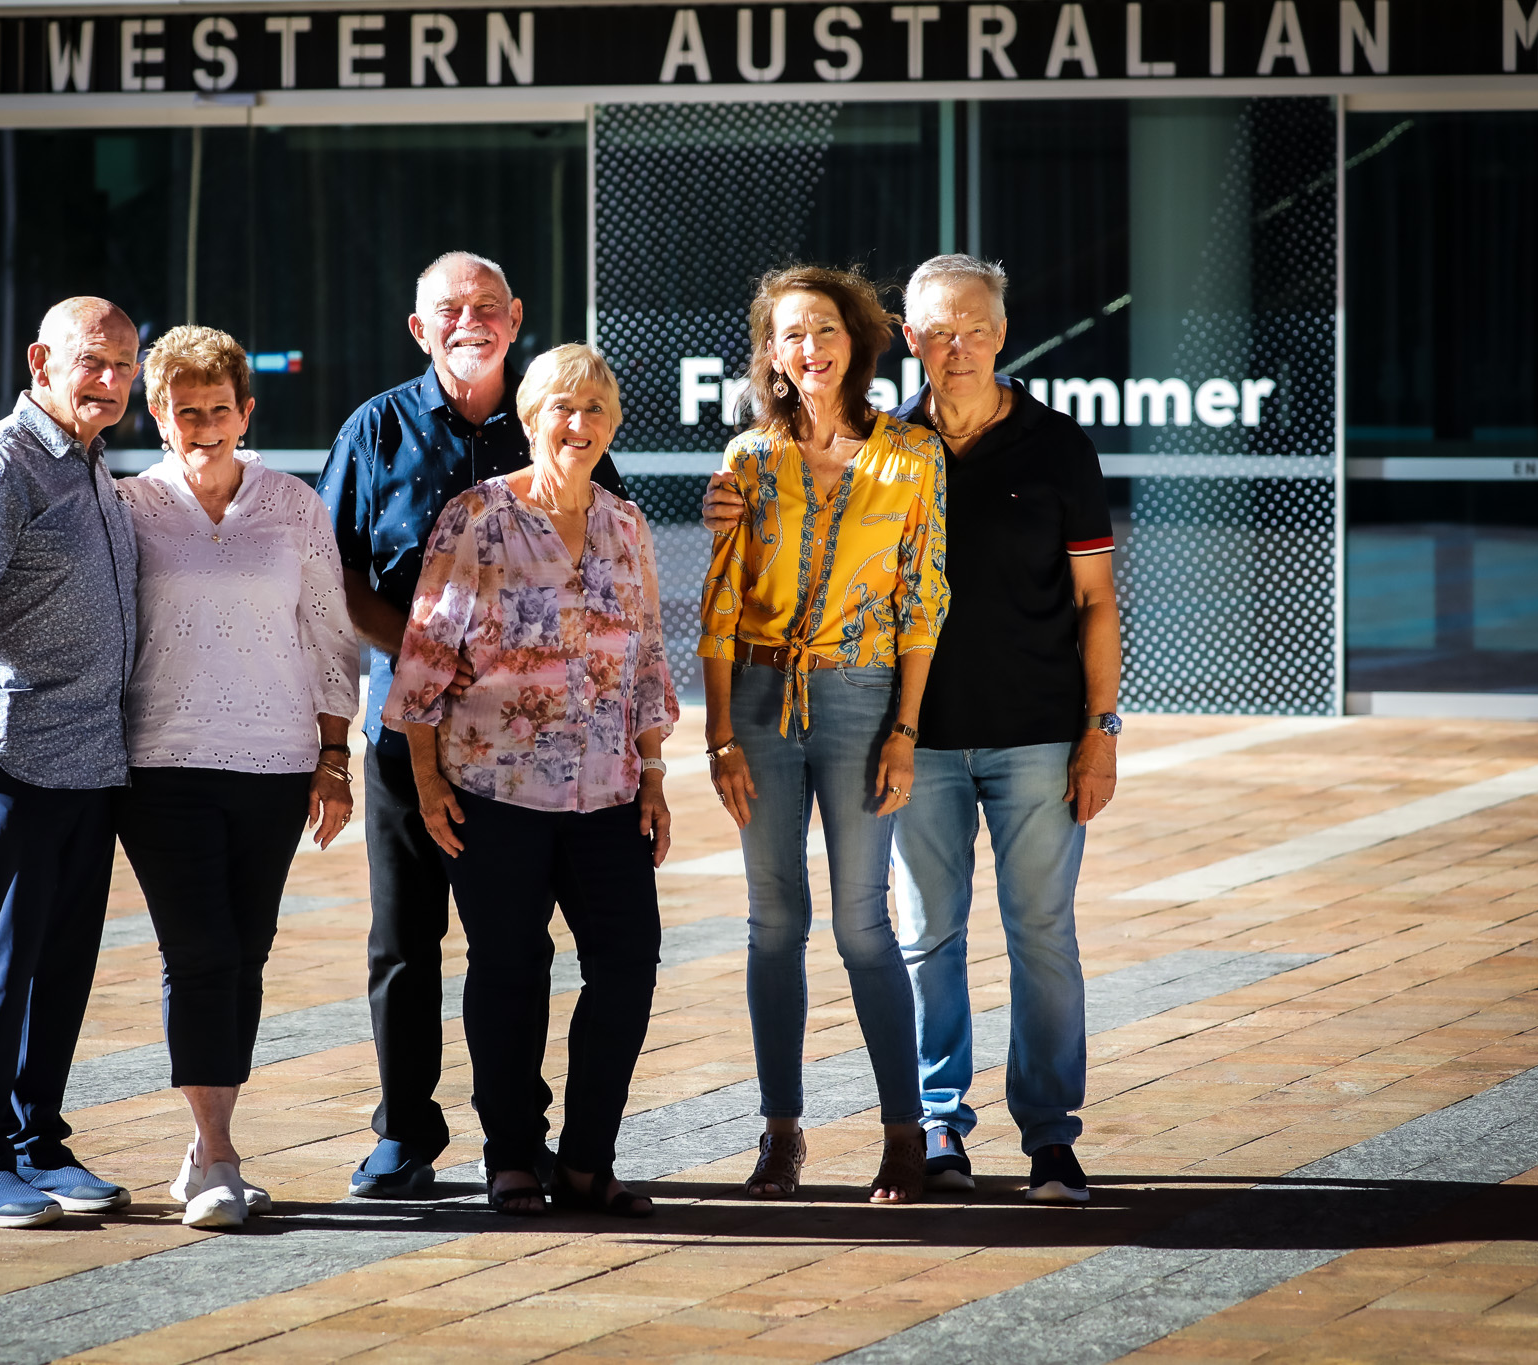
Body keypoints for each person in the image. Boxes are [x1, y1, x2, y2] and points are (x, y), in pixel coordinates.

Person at [700, 254, 1120, 1206]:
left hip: (1013, 730)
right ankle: (930, 1130)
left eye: (974, 328)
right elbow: (735, 584)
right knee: (909, 934)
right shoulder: (813, 453)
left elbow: (1081, 601)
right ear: (912, 342)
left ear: (1001, 334)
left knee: (1033, 933)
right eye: (938, 332)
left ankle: (1048, 1139)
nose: (957, 347)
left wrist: (1102, 728)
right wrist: (723, 728)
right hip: (888, 732)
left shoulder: (1025, 448)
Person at [317, 251, 629, 1199]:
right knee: (405, 941)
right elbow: (330, 580)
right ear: (420, 328)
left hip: (531, 753)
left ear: (516, 316)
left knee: (518, 946)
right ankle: (405, 1131)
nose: (469, 320)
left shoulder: (559, 424)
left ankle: (521, 1146)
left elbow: (606, 571)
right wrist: (419, 662)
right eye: (449, 309)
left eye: (487, 306)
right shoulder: (375, 431)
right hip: (404, 733)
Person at [383, 344, 674, 1218]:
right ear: (529, 417)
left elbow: (648, 659)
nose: (577, 425)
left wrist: (655, 773)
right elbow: (426, 654)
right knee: (510, 968)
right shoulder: (479, 515)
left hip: (610, 792)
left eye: (593, 409)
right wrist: (429, 781)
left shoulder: (628, 524)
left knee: (628, 965)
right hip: (495, 790)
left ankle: (588, 1158)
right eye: (560, 408)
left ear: (612, 422)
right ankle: (512, 1153)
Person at [697, 265, 948, 1206]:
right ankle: (780, 1136)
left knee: (862, 923)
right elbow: (720, 603)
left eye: (826, 329)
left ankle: (903, 1135)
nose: (810, 347)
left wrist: (905, 729)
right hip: (758, 703)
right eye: (791, 334)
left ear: (859, 340)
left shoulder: (912, 457)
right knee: (772, 926)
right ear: (773, 354)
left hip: (862, 699)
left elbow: (925, 601)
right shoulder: (749, 461)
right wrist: (719, 734)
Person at [112, 325, 362, 1229]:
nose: (205, 424)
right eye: (187, 411)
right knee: (200, 952)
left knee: (246, 953)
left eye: (220, 409)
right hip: (161, 762)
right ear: (160, 414)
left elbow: (331, 634)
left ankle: (203, 1138)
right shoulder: (128, 507)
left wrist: (336, 756)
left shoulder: (294, 506)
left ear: (246, 412)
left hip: (276, 761)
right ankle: (219, 1156)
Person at [0, 297, 142, 1229]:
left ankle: (39, 1140)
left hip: (95, 762)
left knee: (64, 966)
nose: (111, 381)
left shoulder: (94, 466)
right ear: (41, 359)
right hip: (19, 762)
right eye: (93, 362)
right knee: (3, 964)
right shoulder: (2, 461)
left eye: (126, 367)